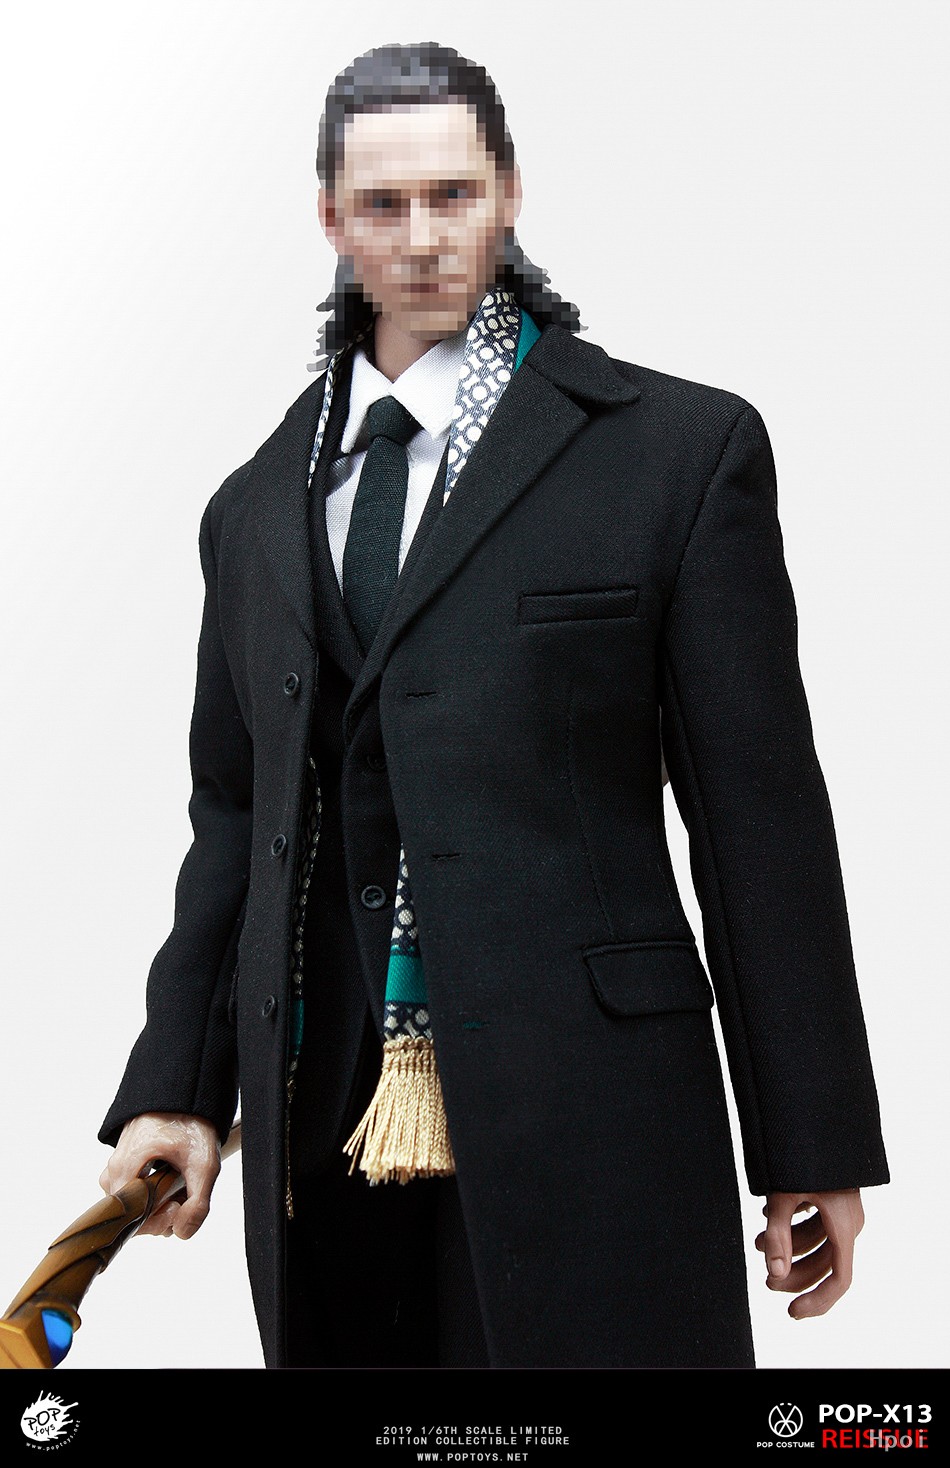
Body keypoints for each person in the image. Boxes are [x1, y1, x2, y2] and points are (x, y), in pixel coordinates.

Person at [98, 42, 888, 1369]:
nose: (421, 238)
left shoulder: (674, 456)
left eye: (453, 196)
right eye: (383, 204)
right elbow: (234, 820)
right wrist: (176, 1089)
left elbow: (758, 818)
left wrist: (808, 1139)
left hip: (595, 1109)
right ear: (330, 218)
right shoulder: (254, 508)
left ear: (509, 193)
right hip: (323, 1120)